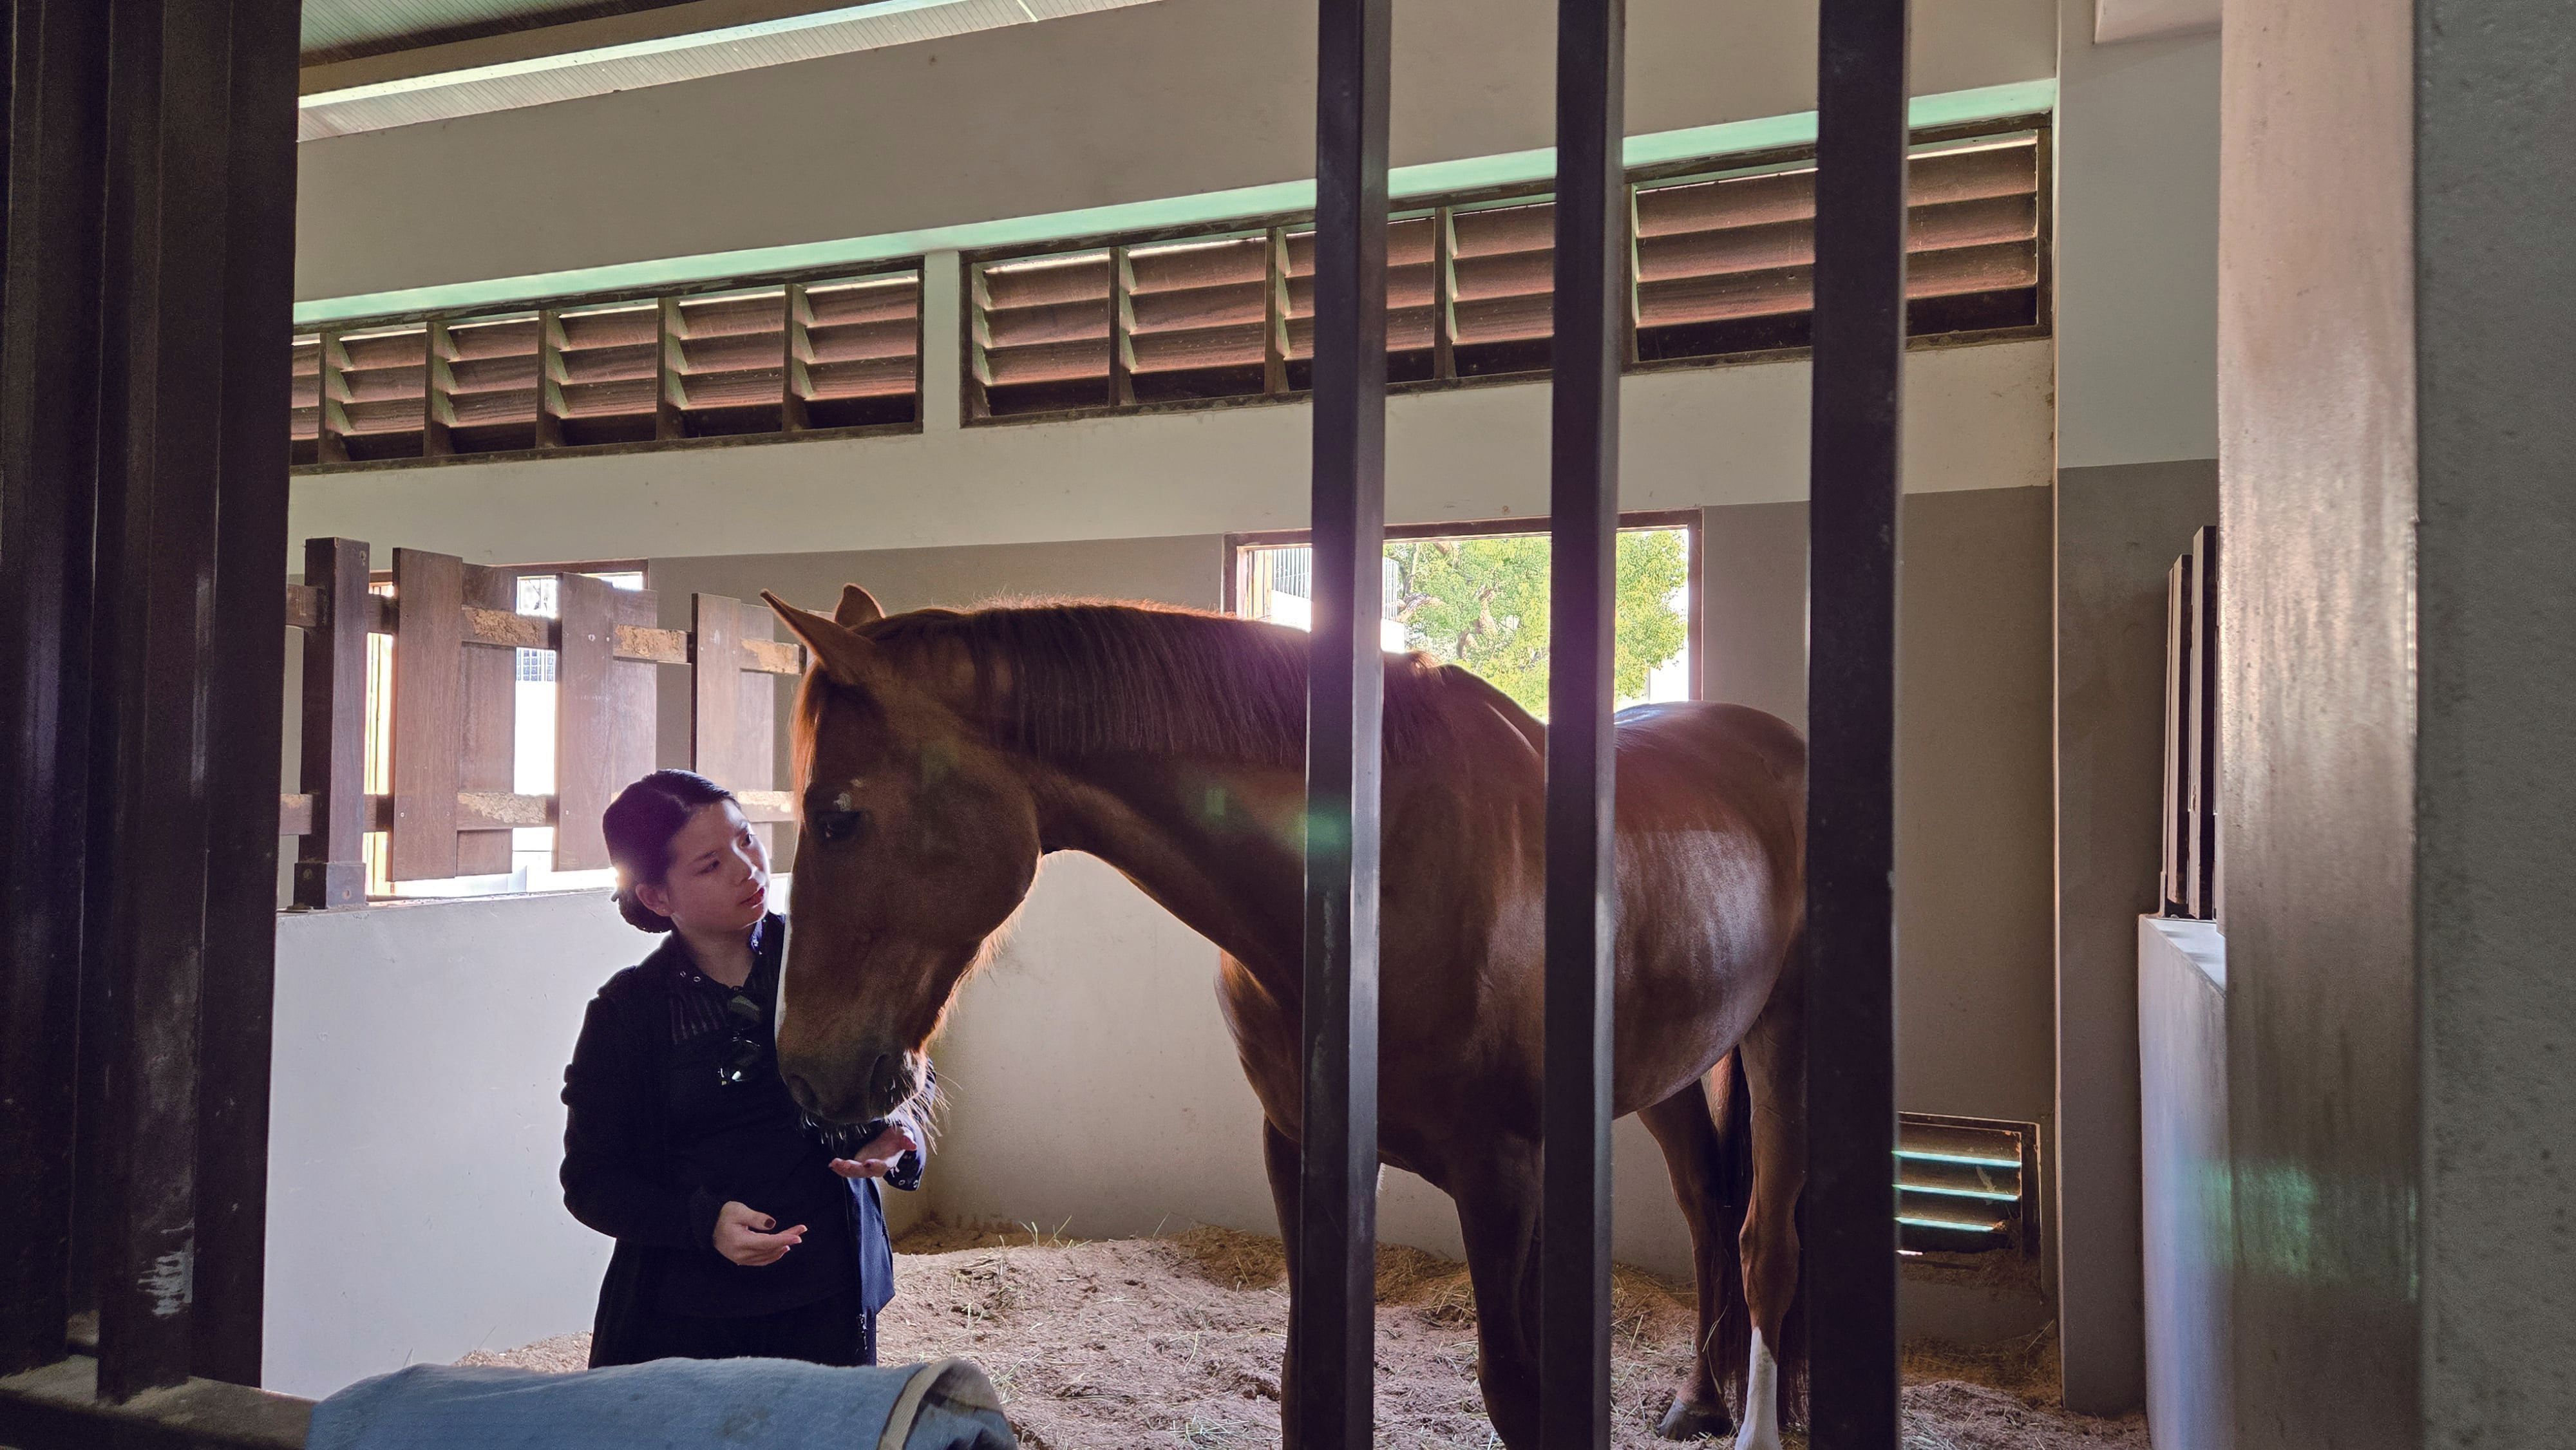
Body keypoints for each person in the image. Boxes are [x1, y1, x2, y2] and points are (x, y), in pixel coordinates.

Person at [562, 769, 927, 1368]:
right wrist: (702, 1223)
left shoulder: (833, 966)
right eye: (710, 864)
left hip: (831, 1296)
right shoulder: (627, 1014)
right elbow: (592, 1183)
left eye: (746, 839)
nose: (747, 868)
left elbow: (906, 1076)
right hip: (686, 1319)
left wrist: (899, 1135)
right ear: (657, 897)